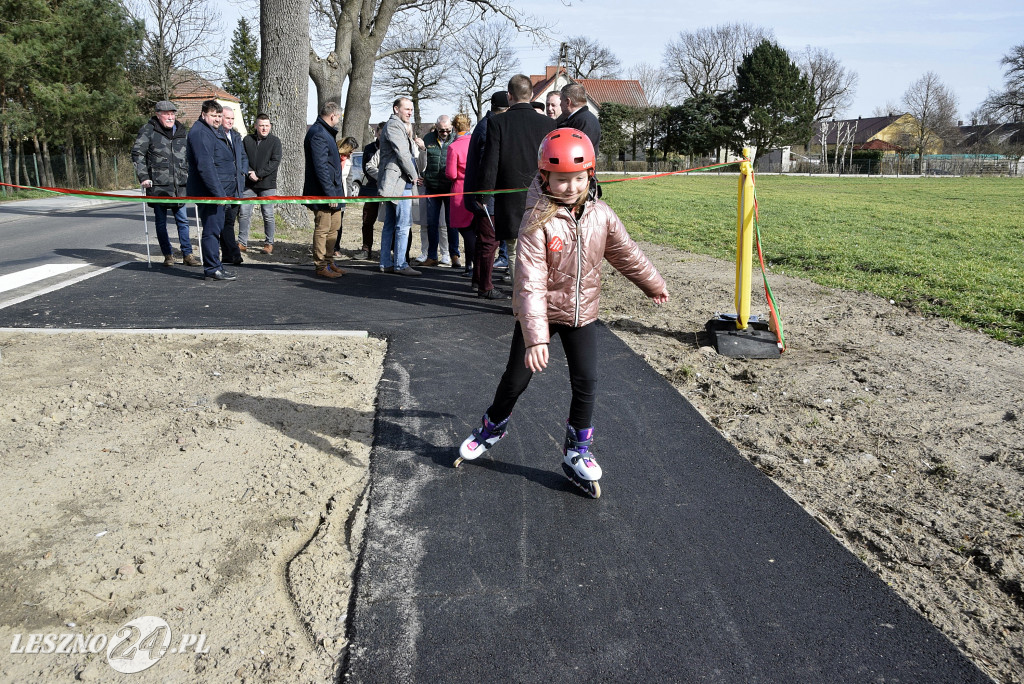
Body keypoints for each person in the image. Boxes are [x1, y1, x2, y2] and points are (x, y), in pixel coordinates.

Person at [456, 129, 670, 498]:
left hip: (581, 315)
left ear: (591, 174)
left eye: (578, 178)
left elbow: (626, 253)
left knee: (587, 381)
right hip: (540, 314)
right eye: (561, 180)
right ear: (544, 178)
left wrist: (653, 283)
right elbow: (529, 282)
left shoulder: (601, 215)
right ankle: (492, 426)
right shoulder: (537, 221)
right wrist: (535, 338)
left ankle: (577, 450)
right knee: (516, 379)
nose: (571, 187)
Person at [476, 74, 556, 299]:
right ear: (531, 95)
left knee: (514, 250)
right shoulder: (549, 124)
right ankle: (540, 296)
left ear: (509, 96)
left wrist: (483, 195)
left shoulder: (497, 122)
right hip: (542, 195)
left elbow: (491, 161)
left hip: (509, 197)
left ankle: (522, 299)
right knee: (542, 248)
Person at [131, 100, 200, 267]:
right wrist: (143, 176)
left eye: (172, 114)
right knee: (161, 222)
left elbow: (189, 156)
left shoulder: (181, 131)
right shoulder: (149, 130)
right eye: (166, 114)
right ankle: (168, 254)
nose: (170, 117)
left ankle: (188, 254)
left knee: (183, 221)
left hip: (180, 185)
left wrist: (193, 176)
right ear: (158, 115)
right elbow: (138, 153)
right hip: (158, 186)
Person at [186, 99, 243, 281]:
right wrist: (219, 194)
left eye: (219, 115)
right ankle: (212, 268)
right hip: (210, 193)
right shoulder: (200, 133)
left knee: (215, 230)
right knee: (211, 231)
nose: (217, 119)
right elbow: (206, 166)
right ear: (204, 114)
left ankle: (216, 265)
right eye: (213, 115)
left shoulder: (210, 131)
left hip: (219, 192)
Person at [462, 90, 507, 290]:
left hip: (481, 194)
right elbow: (486, 164)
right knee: (490, 241)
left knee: (483, 240)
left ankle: (478, 280)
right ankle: (485, 286)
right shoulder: (489, 127)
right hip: (486, 196)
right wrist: (485, 196)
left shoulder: (485, 124)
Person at [377, 97, 422, 276]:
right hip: (399, 183)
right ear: (396, 109)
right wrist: (415, 176)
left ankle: (386, 263)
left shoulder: (396, 125)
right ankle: (400, 264)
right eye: (407, 109)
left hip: (395, 183)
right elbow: (403, 154)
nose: (410, 112)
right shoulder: (394, 126)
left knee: (390, 224)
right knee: (403, 225)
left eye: (411, 109)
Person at [302, 101, 346, 279]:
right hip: (323, 192)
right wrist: (330, 194)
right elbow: (320, 167)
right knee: (323, 228)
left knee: (334, 228)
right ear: (333, 116)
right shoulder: (318, 133)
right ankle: (321, 265)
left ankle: (329, 261)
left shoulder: (325, 132)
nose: (339, 120)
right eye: (339, 117)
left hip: (333, 190)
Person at [415, 115, 456, 267]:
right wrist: (421, 175)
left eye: (447, 130)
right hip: (432, 187)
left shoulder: (455, 139)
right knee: (432, 223)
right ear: (436, 128)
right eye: (441, 130)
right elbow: (421, 162)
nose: (445, 133)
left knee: (451, 223)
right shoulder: (428, 138)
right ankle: (432, 256)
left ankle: (454, 255)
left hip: (450, 188)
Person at [239, 112, 282, 255]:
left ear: (270, 126)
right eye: (261, 125)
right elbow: (242, 158)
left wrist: (259, 174)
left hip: (267, 184)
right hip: (249, 183)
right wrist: (249, 172)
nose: (264, 128)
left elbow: (274, 162)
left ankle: (269, 243)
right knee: (244, 213)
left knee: (268, 214)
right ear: (256, 126)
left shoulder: (275, 141)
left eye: (267, 126)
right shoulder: (247, 140)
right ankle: (242, 243)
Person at [218, 105, 252, 267]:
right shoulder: (215, 135)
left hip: (237, 186)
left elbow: (244, 157)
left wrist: (243, 171)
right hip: (223, 186)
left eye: (232, 118)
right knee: (224, 222)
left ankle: (227, 255)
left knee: (230, 222)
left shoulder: (236, 136)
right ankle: (234, 253)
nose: (230, 121)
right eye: (227, 118)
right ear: (220, 118)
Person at [445, 113, 474, 277]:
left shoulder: (453, 147)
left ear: (455, 128)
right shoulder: (476, 142)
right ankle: (470, 264)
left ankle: (471, 265)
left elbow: (451, 174)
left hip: (460, 190)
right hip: (476, 188)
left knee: (465, 230)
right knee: (474, 229)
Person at [356, 122, 386, 260]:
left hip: (388, 189)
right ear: (377, 133)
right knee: (367, 220)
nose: (383, 137)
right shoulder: (369, 148)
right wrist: (377, 178)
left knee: (389, 220)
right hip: (372, 188)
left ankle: (389, 250)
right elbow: (365, 168)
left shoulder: (392, 147)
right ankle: (366, 249)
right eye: (381, 134)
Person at [332, 136, 359, 257]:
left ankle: (336, 247)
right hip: (331, 193)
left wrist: (348, 196)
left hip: (342, 195)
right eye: (350, 150)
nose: (351, 153)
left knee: (339, 223)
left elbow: (349, 179)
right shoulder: (333, 158)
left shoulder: (348, 162)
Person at [560, 83, 601, 152]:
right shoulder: (585, 118)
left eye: (561, 100)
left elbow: (574, 150)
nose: (560, 104)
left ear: (568, 102)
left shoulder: (581, 121)